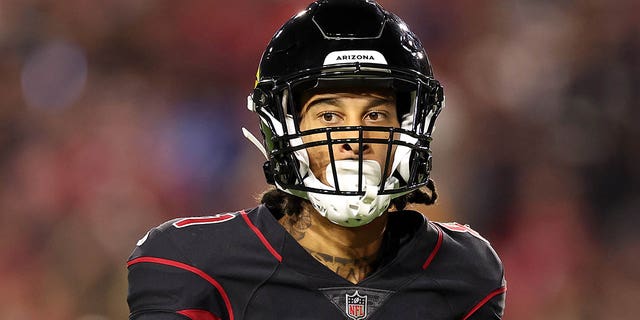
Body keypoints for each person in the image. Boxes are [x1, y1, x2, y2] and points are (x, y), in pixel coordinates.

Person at [127, 0, 506, 319]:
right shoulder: (189, 264)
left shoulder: (467, 270)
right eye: (329, 116)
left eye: (374, 116)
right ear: (283, 129)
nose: (353, 140)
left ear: (409, 130)